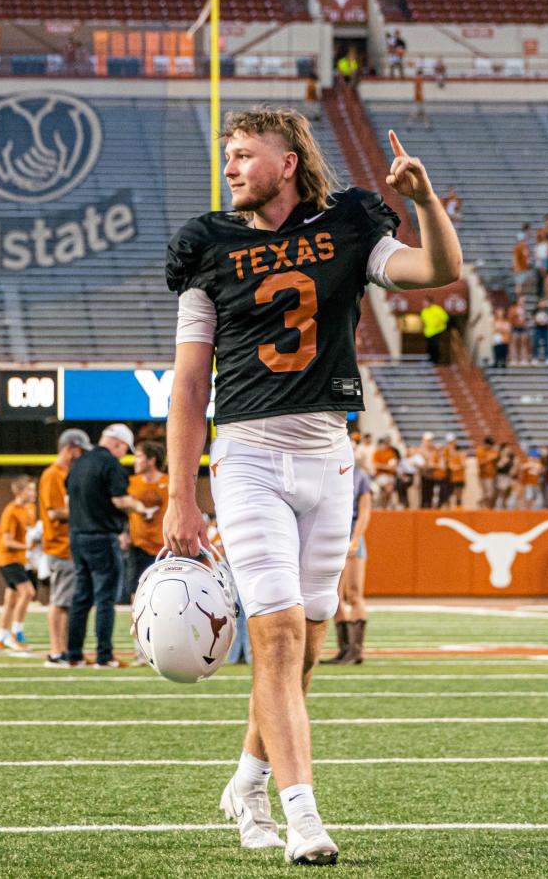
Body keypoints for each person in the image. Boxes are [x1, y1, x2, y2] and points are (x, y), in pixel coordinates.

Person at [163, 109, 459, 865]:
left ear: (287, 160)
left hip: (330, 457)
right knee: (278, 635)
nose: (229, 168)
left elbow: (437, 273)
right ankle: (303, 820)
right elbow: (190, 383)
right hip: (249, 456)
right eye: (226, 156)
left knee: (306, 646)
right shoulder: (206, 247)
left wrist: (424, 199)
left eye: (241, 155)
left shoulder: (350, 224)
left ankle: (248, 782)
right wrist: (181, 493)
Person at [63, 424, 141, 669]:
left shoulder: (79, 463)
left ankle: (73, 654)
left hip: (77, 536)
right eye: (124, 450)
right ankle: (104, 655)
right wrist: (140, 508)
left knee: (81, 598)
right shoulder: (110, 464)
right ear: (118, 444)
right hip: (102, 536)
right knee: (105, 599)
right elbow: (119, 500)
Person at [40, 429, 87, 666]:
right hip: (60, 546)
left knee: (67, 602)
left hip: (68, 546)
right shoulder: (53, 475)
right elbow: (54, 511)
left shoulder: (64, 473)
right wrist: (87, 511)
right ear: (70, 448)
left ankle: (64, 650)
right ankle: (57, 651)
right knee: (60, 602)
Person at [322, 455, 372, 666]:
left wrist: (355, 540)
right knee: (334, 595)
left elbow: (364, 512)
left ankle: (355, 650)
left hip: (351, 538)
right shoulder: (328, 473)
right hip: (335, 537)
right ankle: (345, 649)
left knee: (353, 592)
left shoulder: (360, 476)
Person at [0, 476, 39, 655]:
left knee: (10, 601)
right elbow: (7, 541)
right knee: (28, 593)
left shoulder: (31, 509)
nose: (33, 493)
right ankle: (16, 634)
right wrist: (28, 547)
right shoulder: (11, 511)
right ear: (19, 492)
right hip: (7, 558)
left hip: (19, 558)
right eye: (29, 490)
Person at [125, 441, 168, 603]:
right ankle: (138, 628)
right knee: (136, 593)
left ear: (151, 460)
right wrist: (124, 534)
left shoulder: (169, 482)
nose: (135, 461)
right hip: (139, 546)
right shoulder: (131, 483)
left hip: (164, 548)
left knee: (163, 595)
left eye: (139, 456)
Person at [421, 297, 449, 365]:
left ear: (430, 302)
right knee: (429, 347)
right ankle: (429, 360)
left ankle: (436, 360)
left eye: (426, 302)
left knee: (435, 345)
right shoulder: (424, 311)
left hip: (438, 331)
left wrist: (438, 323)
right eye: (424, 302)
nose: (424, 304)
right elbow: (424, 322)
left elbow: (445, 318)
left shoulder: (437, 309)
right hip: (428, 332)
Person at [531, 298, 548, 365]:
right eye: (541, 302)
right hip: (538, 328)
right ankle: (535, 357)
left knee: (546, 343)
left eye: (543, 302)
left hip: (545, 328)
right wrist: (538, 322)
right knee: (536, 343)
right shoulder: (535, 310)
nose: (542, 304)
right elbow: (534, 319)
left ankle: (547, 357)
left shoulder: (547, 310)